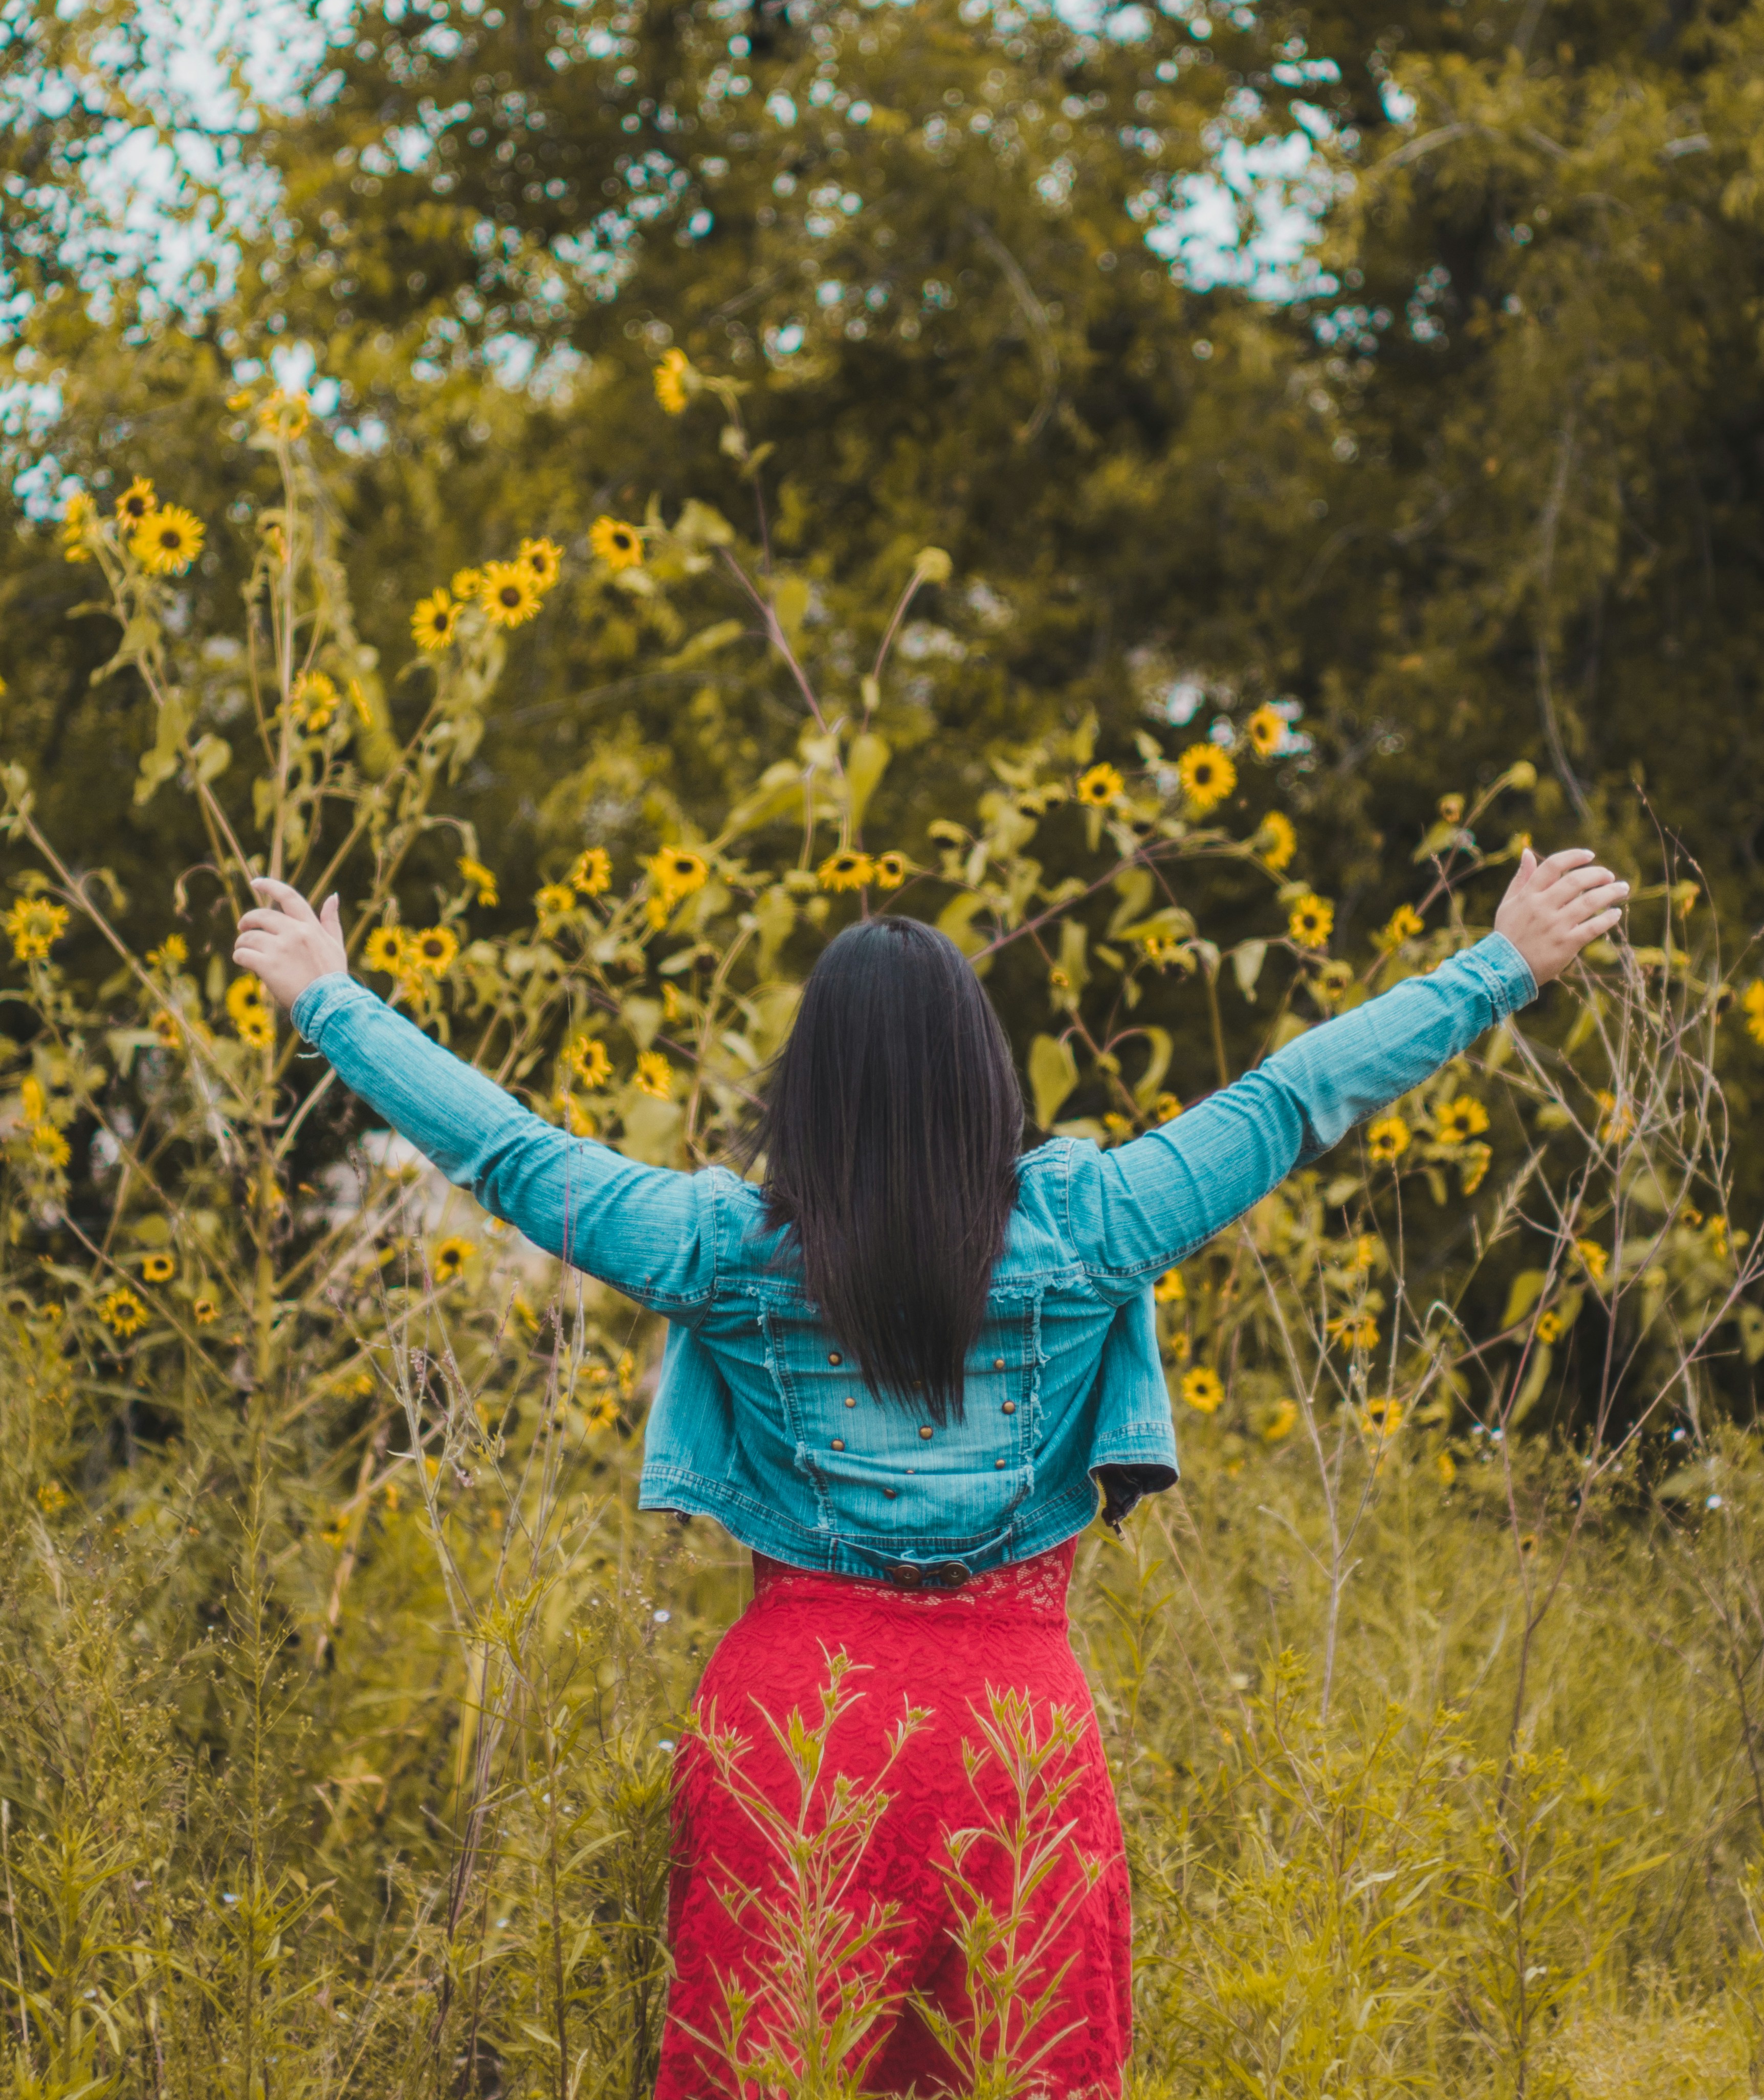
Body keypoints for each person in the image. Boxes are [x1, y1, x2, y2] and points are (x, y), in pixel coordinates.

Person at [234, 843, 1626, 2096]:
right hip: (1015, 1733)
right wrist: (1501, 964)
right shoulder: (1095, 1224)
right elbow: (1290, 1100)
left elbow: (509, 1152)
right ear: (985, 1070)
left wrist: (330, 1000)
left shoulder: (721, 1246)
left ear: (810, 1086)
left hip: (791, 1726)